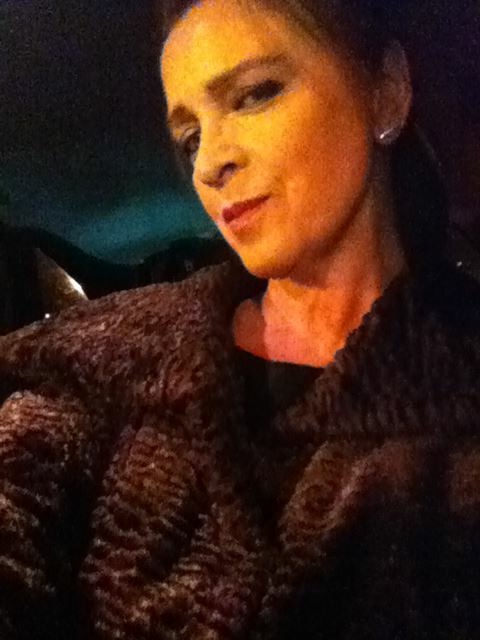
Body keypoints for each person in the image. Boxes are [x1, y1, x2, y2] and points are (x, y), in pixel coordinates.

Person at [0, 1, 479, 639]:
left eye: (255, 95)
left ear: (386, 91)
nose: (207, 165)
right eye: (190, 137)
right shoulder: (106, 365)